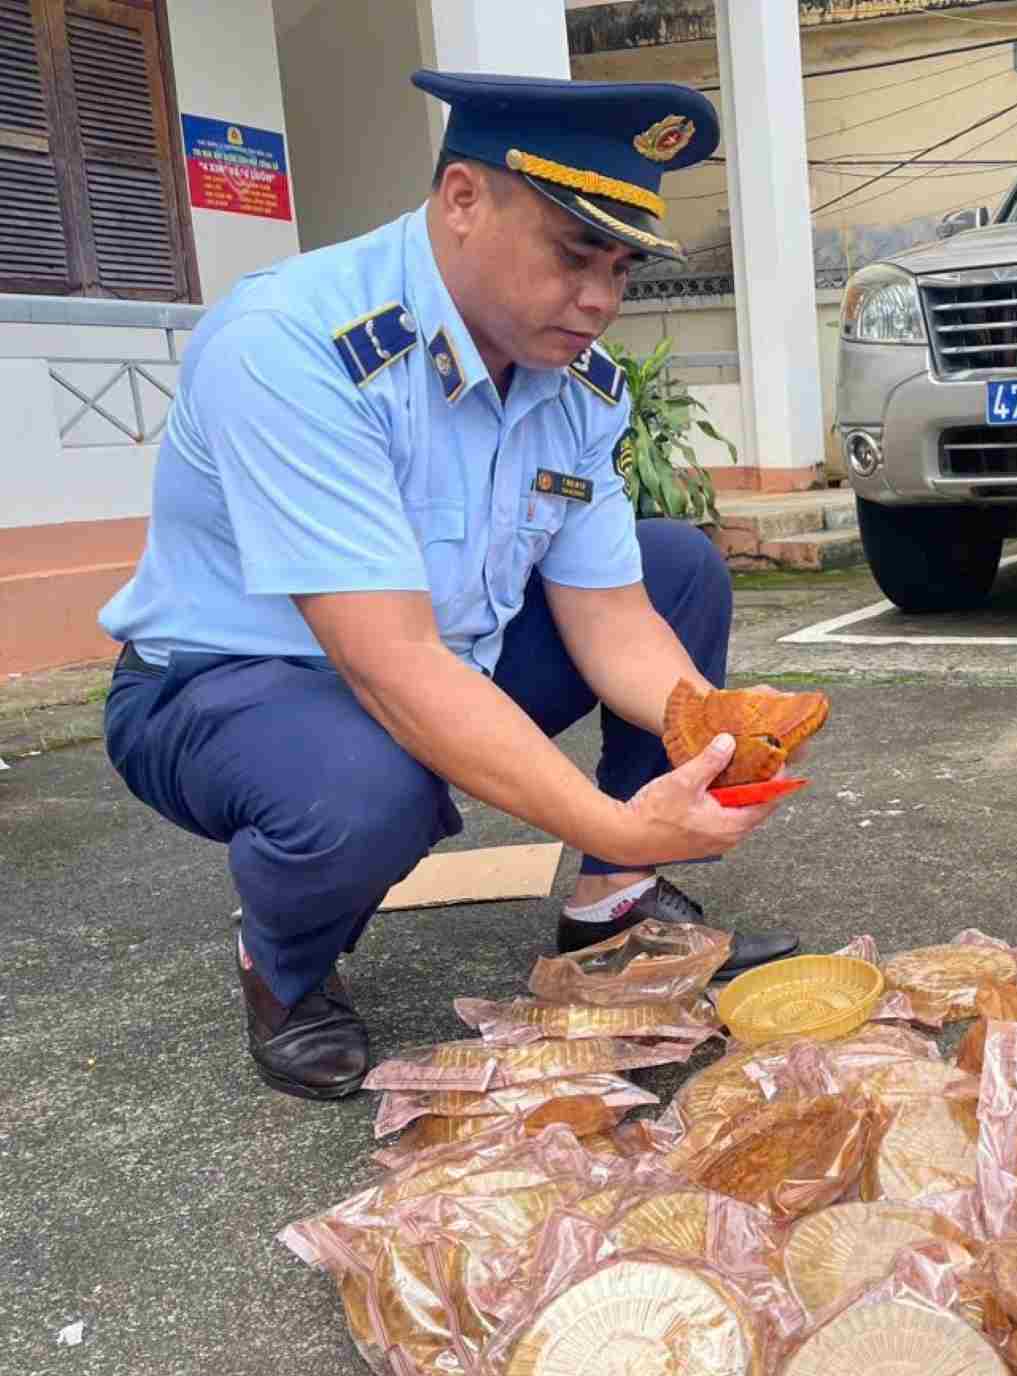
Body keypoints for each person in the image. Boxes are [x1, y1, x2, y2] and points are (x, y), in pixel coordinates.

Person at [97, 71, 800, 1103]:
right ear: (463, 199)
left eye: (619, 268)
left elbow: (610, 616)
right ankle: (284, 968)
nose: (600, 300)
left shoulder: (574, 384)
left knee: (672, 567)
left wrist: (721, 729)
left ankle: (614, 907)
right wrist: (608, 815)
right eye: (572, 255)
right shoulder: (295, 347)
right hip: (226, 690)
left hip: (442, 659)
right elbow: (389, 664)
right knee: (365, 785)